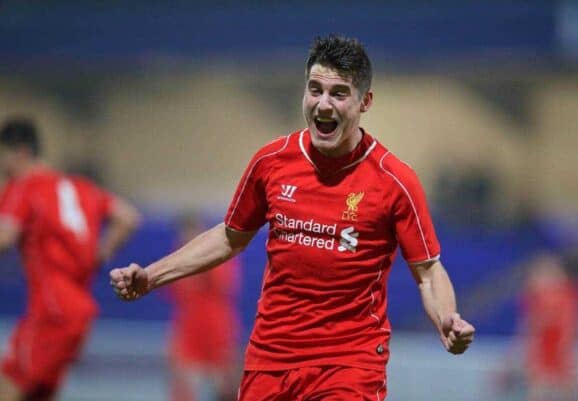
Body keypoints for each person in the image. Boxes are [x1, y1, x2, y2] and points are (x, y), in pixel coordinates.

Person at [110, 35, 475, 400]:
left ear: (365, 101)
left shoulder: (394, 180)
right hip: (269, 361)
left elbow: (428, 271)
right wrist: (151, 276)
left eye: (339, 93)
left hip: (349, 365)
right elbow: (229, 237)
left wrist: (447, 318)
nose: (323, 104)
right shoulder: (272, 162)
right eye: (315, 90)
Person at [0, 118, 140, 401]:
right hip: (79, 313)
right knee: (38, 393)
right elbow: (127, 217)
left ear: (20, 153)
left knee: (9, 384)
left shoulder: (24, 187)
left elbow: (4, 238)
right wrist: (101, 254)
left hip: (50, 311)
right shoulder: (80, 187)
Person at [166, 213, 241, 401]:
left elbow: (227, 286)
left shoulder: (218, 254)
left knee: (225, 386)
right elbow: (173, 294)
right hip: (189, 329)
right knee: (183, 385)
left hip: (217, 328)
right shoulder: (177, 259)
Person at [519, 252, 578, 401]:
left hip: (562, 348)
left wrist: (569, 349)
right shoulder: (535, 296)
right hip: (542, 349)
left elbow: (575, 323)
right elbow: (530, 326)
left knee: (568, 390)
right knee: (539, 390)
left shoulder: (571, 293)